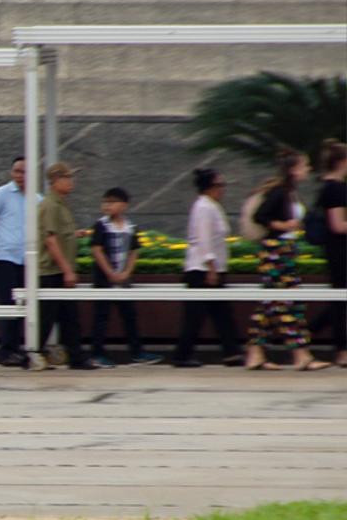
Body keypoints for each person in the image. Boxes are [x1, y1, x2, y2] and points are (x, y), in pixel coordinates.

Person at [244, 150, 331, 371]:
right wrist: (283, 225)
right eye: (305, 165)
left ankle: (256, 352)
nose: (308, 169)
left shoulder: (288, 191)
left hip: (284, 250)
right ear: (293, 169)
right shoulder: (280, 191)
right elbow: (260, 216)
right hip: (276, 251)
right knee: (289, 303)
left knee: (271, 304)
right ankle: (300, 354)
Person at [171, 169, 244, 368]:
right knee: (195, 315)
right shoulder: (204, 207)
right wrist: (211, 267)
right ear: (209, 187)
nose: (223, 189)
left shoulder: (212, 206)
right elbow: (203, 239)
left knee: (222, 312)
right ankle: (182, 355)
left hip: (213, 268)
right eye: (220, 185)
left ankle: (232, 353)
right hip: (202, 270)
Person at [87, 188, 163, 368]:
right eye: (105, 202)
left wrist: (127, 272)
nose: (107, 206)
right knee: (101, 317)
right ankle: (97, 354)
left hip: (123, 281)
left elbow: (134, 250)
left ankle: (137, 352)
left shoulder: (130, 227)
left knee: (129, 315)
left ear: (124, 205)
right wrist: (110, 273)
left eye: (112, 202)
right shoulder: (101, 225)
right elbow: (96, 250)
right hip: (105, 281)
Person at [36, 162, 98, 371]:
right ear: (55, 181)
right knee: (46, 319)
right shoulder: (50, 206)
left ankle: (76, 356)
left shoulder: (61, 204)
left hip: (59, 271)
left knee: (69, 318)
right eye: (68, 178)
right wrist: (68, 270)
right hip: (52, 272)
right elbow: (50, 241)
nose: (72, 182)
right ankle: (32, 353)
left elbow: (59, 235)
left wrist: (74, 234)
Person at [0, 157, 38, 367]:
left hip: (26, 259)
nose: (20, 176)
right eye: (17, 171)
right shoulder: (1, 193)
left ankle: (18, 347)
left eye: (24, 172)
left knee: (24, 307)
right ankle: (7, 351)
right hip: (5, 257)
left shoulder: (36, 198)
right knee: (7, 305)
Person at [310, 140, 346, 367]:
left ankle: (308, 333)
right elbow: (338, 225)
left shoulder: (328, 186)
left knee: (340, 301)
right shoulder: (336, 188)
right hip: (340, 251)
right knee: (340, 301)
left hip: (336, 250)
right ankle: (342, 351)